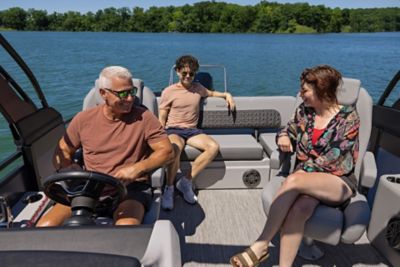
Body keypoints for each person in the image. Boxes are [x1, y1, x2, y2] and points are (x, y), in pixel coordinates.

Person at [230, 65, 360, 267]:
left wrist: (299, 175)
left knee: (294, 179)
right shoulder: (305, 111)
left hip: (336, 181)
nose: (301, 94)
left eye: (305, 90)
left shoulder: (349, 119)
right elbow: (287, 128)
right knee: (298, 211)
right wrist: (283, 136)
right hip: (305, 182)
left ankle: (261, 244)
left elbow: (334, 159)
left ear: (322, 90)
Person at [36, 66, 174, 227]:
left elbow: (167, 152)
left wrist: (137, 168)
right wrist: (68, 168)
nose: (130, 98)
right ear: (103, 94)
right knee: (45, 226)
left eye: (132, 91)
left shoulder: (144, 118)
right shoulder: (82, 120)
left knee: (126, 228)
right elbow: (63, 151)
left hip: (130, 190)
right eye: (122, 93)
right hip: (88, 188)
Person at [159, 55, 236, 210]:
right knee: (175, 149)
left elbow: (213, 94)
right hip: (174, 129)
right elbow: (162, 117)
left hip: (192, 130)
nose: (188, 76)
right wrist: (160, 136)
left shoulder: (198, 88)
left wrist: (228, 95)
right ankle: (169, 188)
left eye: (191, 74)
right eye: (184, 73)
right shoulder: (169, 91)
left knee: (213, 147)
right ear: (178, 72)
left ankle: (186, 182)